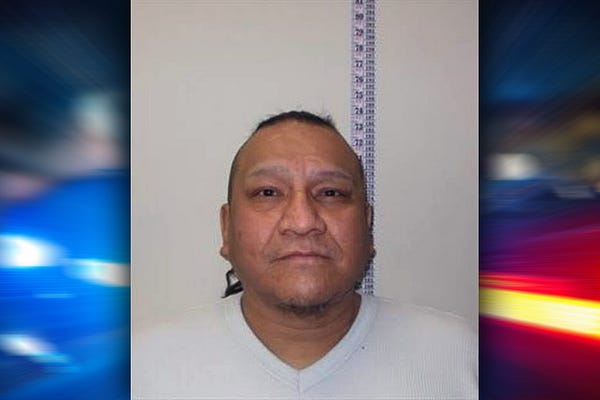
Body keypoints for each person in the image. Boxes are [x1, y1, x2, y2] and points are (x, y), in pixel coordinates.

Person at [132, 111, 477, 399]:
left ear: (367, 225)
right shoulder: (139, 367)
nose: (302, 221)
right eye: (268, 192)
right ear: (226, 227)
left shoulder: (463, 359)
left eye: (331, 193)